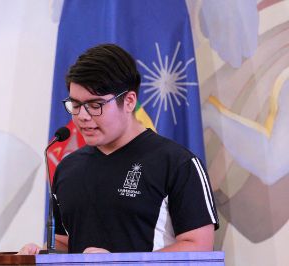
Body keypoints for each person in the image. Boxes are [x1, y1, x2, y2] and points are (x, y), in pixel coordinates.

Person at [19, 43, 219, 255]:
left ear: (130, 101)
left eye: (95, 105)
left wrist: (120, 263)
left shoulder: (178, 164)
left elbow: (199, 247)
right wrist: (39, 255)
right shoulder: (67, 168)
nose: (82, 116)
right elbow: (65, 242)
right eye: (75, 105)